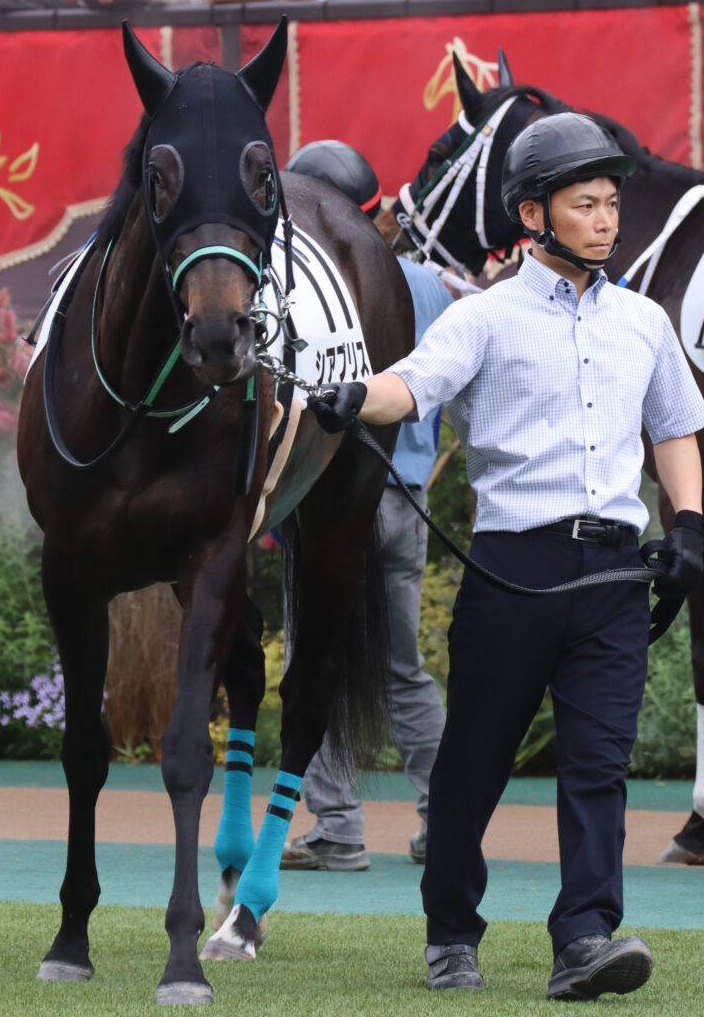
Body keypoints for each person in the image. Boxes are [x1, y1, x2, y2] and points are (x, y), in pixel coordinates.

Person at [306, 114, 704, 999]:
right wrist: (349, 395)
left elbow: (677, 429)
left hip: (612, 574)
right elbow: (410, 385)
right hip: (510, 572)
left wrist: (687, 525)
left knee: (598, 766)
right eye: (584, 205)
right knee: (472, 766)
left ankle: (585, 938)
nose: (605, 220)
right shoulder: (480, 318)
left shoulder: (643, 322)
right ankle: (451, 929)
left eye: (610, 204)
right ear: (533, 214)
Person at [279, 140, 451, 870]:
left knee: (312, 656)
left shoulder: (302, 283)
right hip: (404, 499)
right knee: (404, 666)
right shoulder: (430, 284)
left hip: (325, 500)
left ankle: (337, 826)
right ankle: (442, 817)